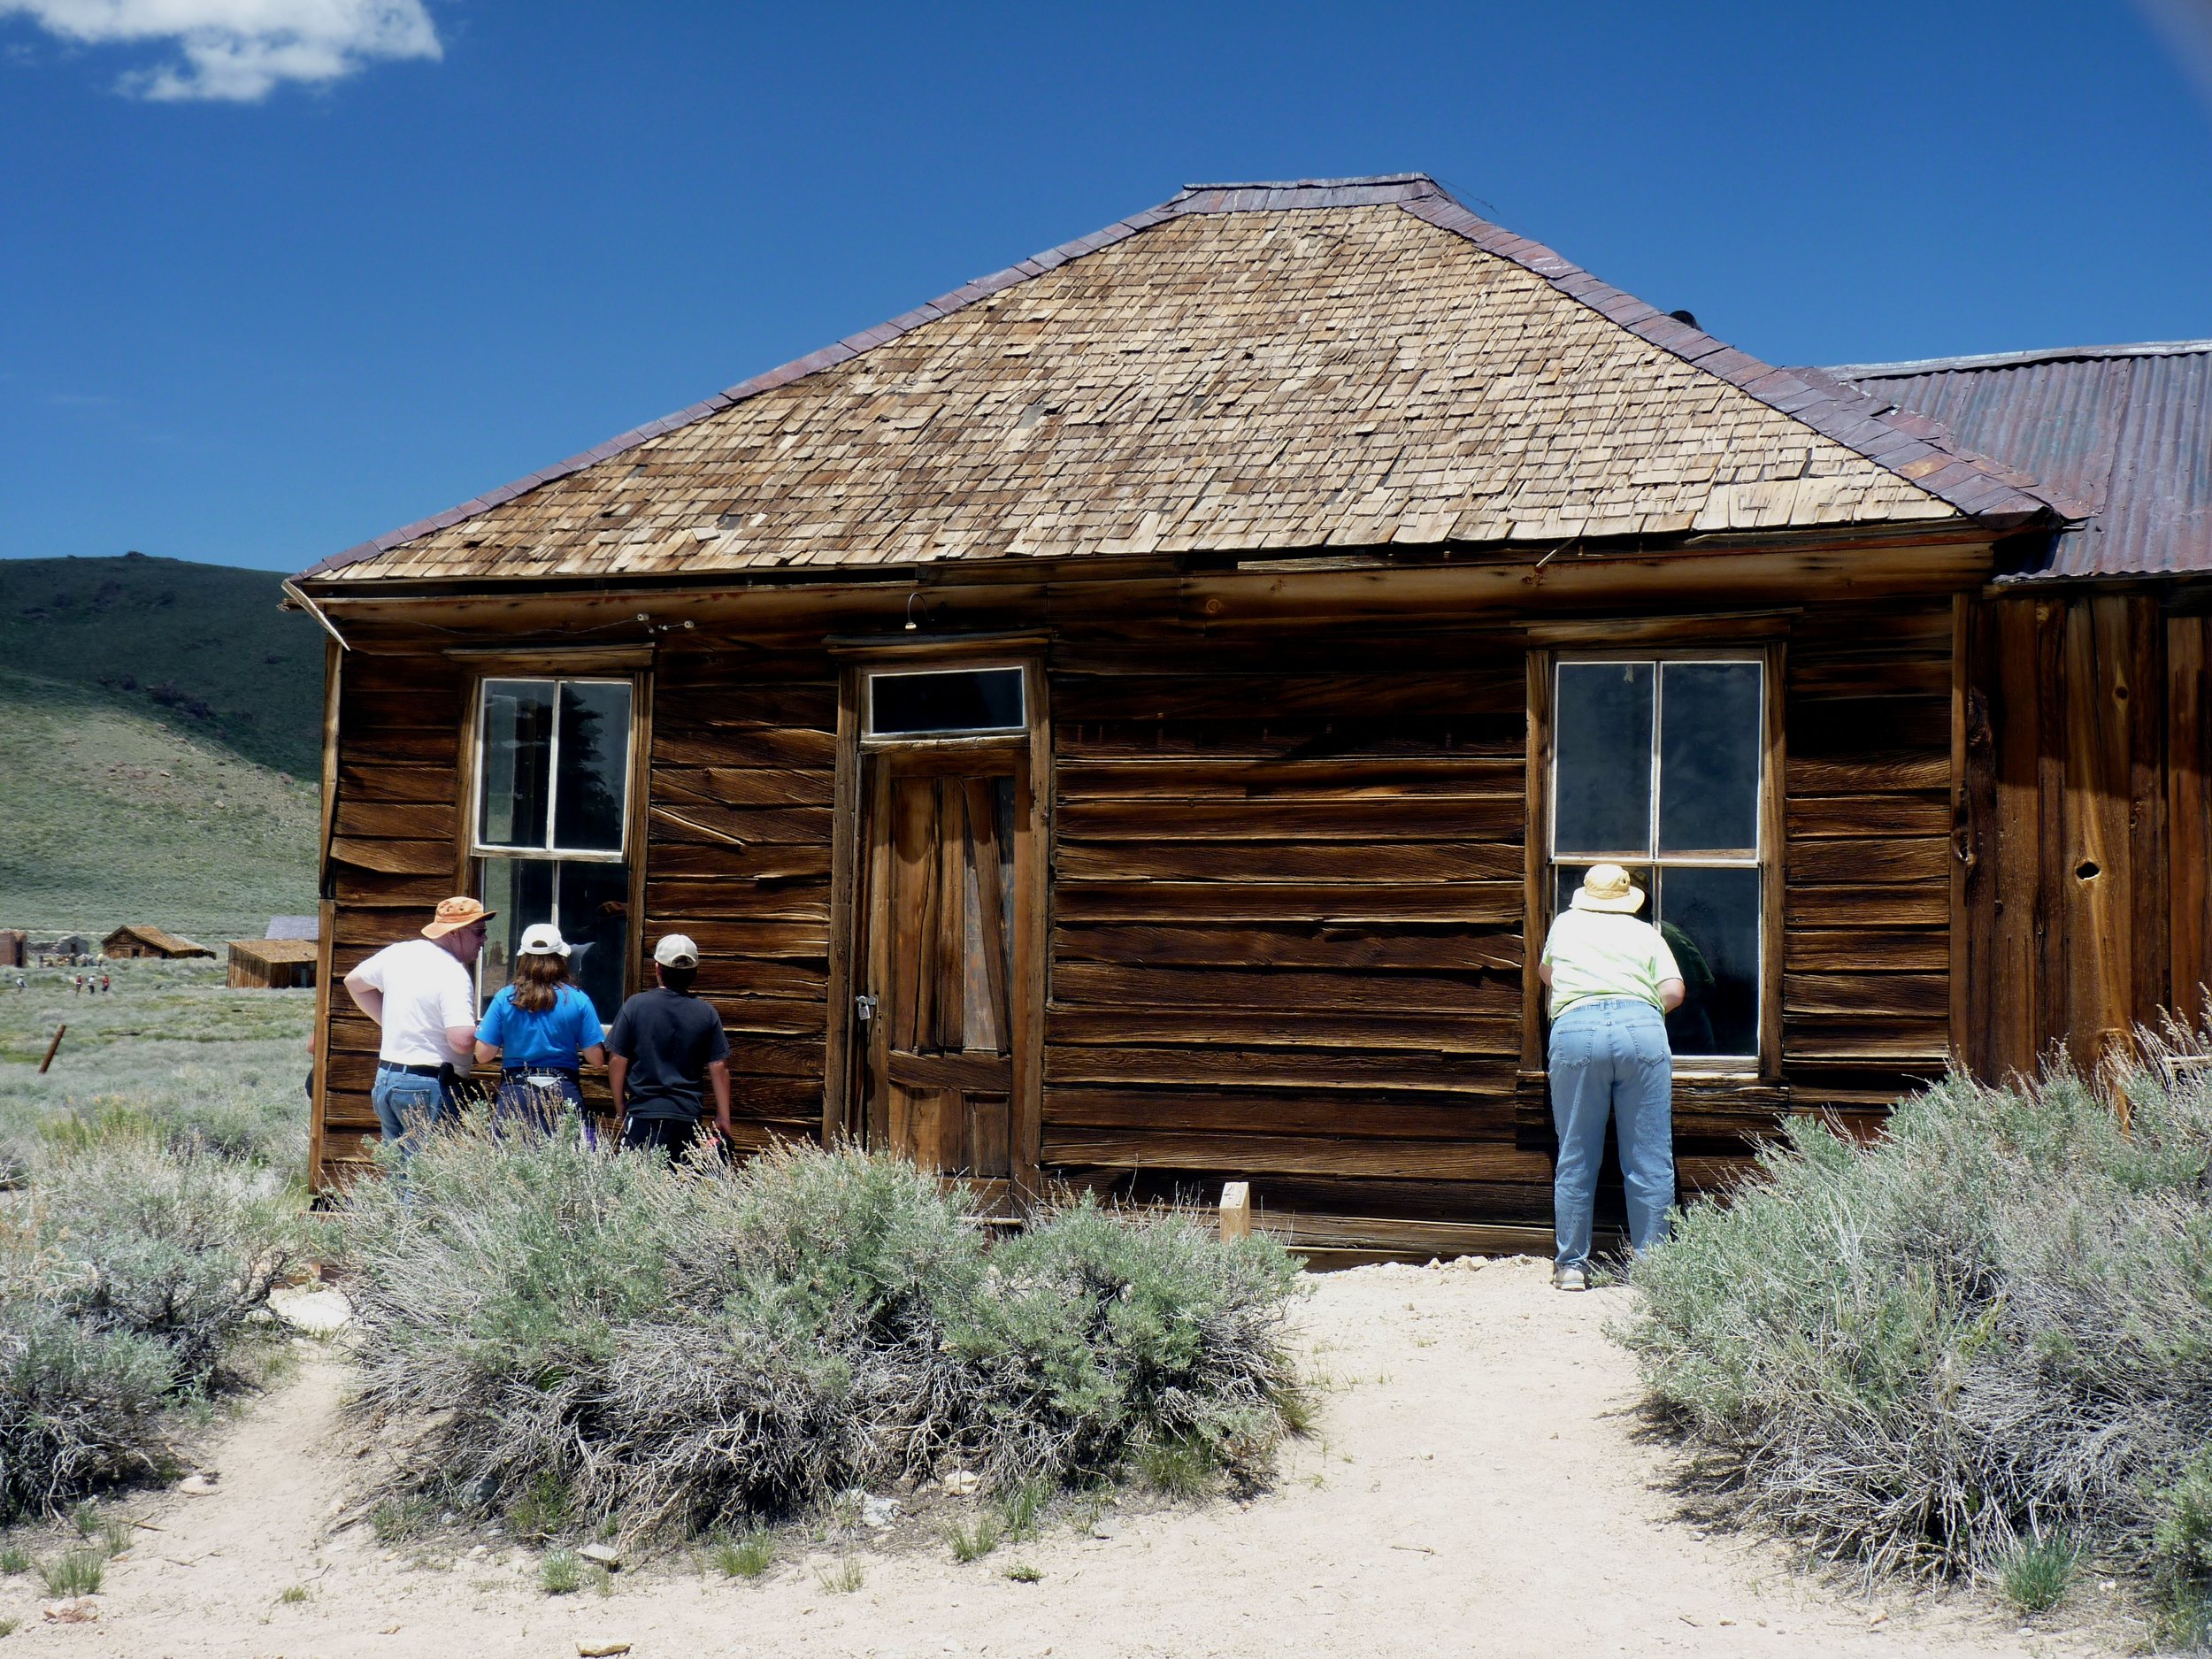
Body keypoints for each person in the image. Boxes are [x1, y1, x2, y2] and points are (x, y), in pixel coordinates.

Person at [1537, 863, 1686, 1293]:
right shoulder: (1646, 933)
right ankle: (1653, 1270)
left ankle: (1572, 1267)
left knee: (1577, 1153)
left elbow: (1548, 975)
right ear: (1628, 900)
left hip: (1577, 1027)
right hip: (1641, 1028)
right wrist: (1638, 1009)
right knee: (1649, 1157)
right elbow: (1674, 991)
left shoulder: (1564, 926)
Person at [342, 895, 491, 1159]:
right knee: (428, 1175)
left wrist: (390, 1024)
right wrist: (492, 1033)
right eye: (478, 932)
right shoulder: (453, 972)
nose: (484, 939)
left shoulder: (399, 953)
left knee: (400, 1171)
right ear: (454, 932)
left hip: (388, 1078)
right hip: (428, 1086)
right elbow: (461, 1041)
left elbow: (354, 983)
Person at [607, 933, 731, 1163]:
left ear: (657, 968)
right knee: (681, 1181)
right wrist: (723, 1115)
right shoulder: (706, 1013)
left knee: (637, 1179)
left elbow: (617, 1060)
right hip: (687, 1116)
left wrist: (620, 1104)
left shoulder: (635, 1006)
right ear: (694, 972)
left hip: (644, 1112)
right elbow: (719, 1066)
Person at [473, 922, 607, 1129]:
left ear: (523, 958)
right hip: (563, 1090)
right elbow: (596, 1059)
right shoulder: (578, 999)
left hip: (516, 1092)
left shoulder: (505, 998)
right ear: (561, 958)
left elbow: (483, 1055)